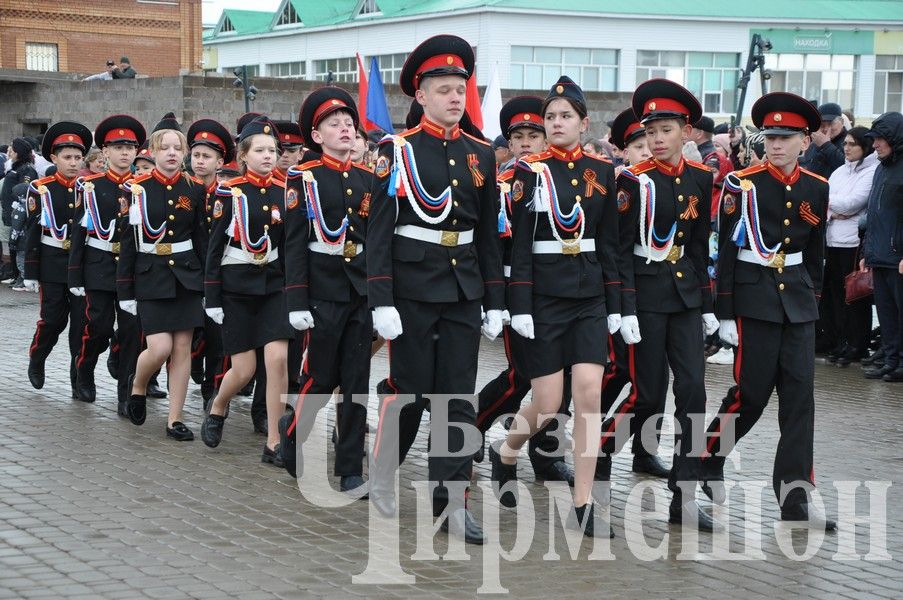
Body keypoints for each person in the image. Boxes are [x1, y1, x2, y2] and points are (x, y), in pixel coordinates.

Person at [366, 35, 504, 544]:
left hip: (464, 289)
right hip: (411, 291)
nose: (453, 98)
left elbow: (488, 235)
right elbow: (378, 232)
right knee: (409, 391)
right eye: (443, 89)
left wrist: (496, 300)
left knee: (456, 398)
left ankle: (451, 502)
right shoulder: (396, 150)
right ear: (420, 95)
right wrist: (380, 300)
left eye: (459, 89)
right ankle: (382, 474)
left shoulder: (481, 154)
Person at [488, 77, 618, 538]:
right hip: (541, 298)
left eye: (565, 116)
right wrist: (517, 305)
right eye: (551, 117)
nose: (557, 123)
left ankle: (583, 503)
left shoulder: (604, 172)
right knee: (548, 401)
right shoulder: (528, 173)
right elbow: (519, 246)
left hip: (588, 297)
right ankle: (506, 450)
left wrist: (619, 304)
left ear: (584, 123)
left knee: (588, 393)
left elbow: (609, 244)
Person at [703, 92, 836, 530]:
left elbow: (815, 253)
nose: (775, 145)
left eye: (785, 137)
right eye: (770, 137)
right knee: (752, 395)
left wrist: (811, 296)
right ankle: (708, 459)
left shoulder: (818, 187)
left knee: (800, 401)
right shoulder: (742, 183)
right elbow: (726, 249)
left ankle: (795, 498)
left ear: (804, 140)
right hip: (753, 299)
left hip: (796, 302)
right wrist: (723, 311)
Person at [608, 79, 719, 531]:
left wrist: (708, 304)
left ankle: (685, 495)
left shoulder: (701, 178)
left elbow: (697, 246)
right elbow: (619, 250)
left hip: (685, 298)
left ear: (687, 132)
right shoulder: (632, 182)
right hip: (646, 298)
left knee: (693, 392)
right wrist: (626, 308)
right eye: (651, 130)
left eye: (666, 129)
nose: (656, 138)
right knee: (646, 396)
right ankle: (594, 465)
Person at [277, 87, 373, 497]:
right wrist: (296, 299)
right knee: (320, 377)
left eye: (349, 124)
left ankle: (351, 466)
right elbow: (295, 244)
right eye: (334, 125)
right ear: (317, 136)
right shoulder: (304, 178)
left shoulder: (371, 178)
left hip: (361, 290)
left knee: (356, 382)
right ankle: (294, 432)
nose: (345, 129)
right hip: (323, 289)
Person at [475, 95, 575, 486]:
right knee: (524, 377)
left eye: (535, 134)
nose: (528, 142)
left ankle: (547, 457)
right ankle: (475, 424)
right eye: (519, 136)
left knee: (558, 378)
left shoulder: (557, 179)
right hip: (517, 290)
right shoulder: (499, 187)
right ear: (510, 143)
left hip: (555, 288)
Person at [200, 116, 294, 465]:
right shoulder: (230, 191)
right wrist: (212, 297)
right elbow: (214, 247)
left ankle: (274, 441)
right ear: (243, 156)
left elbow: (288, 245)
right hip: (236, 286)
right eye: (261, 150)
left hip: (273, 285)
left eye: (273, 150)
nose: (269, 155)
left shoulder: (286, 191)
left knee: (278, 360)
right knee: (244, 369)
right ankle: (219, 405)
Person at [117, 113, 208, 440]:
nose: (171, 153)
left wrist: (209, 283)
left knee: (182, 346)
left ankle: (175, 418)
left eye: (177, 147)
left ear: (184, 153)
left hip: (186, 276)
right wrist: (125, 291)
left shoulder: (195, 189)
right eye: (164, 147)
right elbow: (127, 242)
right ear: (151, 153)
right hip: (150, 275)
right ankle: (138, 384)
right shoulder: (136, 189)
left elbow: (202, 239)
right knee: (159, 347)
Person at [596, 107, 670, 478]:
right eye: (639, 145)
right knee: (625, 372)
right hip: (628, 293)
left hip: (662, 292)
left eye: (649, 144)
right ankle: (593, 431)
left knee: (656, 378)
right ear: (625, 151)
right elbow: (615, 248)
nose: (646, 151)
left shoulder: (669, 180)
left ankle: (645, 447)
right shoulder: (623, 185)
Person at [69, 115, 146, 408]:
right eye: (118, 146)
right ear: (105, 151)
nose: (125, 152)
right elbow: (79, 232)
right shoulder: (89, 186)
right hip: (99, 265)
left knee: (131, 333)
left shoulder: (143, 186)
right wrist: (75, 275)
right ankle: (84, 368)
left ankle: (126, 394)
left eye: (130, 147)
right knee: (98, 328)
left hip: (134, 271)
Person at [23, 121, 93, 399]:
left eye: (78, 158)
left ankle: (78, 379)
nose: (74, 163)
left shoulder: (88, 188)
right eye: (67, 157)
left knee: (80, 324)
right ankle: (38, 356)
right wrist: (30, 270)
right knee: (53, 320)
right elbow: (32, 231)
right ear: (54, 158)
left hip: (82, 266)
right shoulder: (41, 188)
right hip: (51, 263)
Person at [186, 118, 236, 406]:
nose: (200, 162)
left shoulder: (228, 194)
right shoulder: (182, 190)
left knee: (218, 337)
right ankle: (193, 362)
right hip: (188, 272)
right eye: (196, 156)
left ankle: (211, 389)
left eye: (207, 156)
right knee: (192, 331)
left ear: (220, 162)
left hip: (218, 273)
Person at [822, 127, 878, 366]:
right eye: (845, 144)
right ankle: (839, 340)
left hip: (853, 242)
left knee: (854, 295)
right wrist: (835, 211)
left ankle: (857, 343)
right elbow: (824, 199)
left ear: (864, 146)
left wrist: (834, 207)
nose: (846, 148)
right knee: (834, 294)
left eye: (852, 144)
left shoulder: (872, 171)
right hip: (832, 238)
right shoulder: (839, 172)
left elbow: (854, 203)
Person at [860, 112, 903, 382]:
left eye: (879, 139)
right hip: (879, 256)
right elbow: (873, 214)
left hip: (898, 257)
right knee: (887, 315)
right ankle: (890, 359)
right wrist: (866, 252)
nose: (874, 144)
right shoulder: (881, 167)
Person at [2, 138, 38, 289]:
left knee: (20, 245)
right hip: (11, 213)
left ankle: (22, 276)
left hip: (20, 214)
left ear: (18, 152)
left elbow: (25, 191)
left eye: (12, 150)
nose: (10, 152)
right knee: (13, 245)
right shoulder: (16, 167)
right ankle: (16, 275)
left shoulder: (26, 169)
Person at [802, 102, 846, 179]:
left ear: (841, 122)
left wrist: (826, 145)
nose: (826, 129)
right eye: (822, 125)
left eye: (830, 124)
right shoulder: (814, 144)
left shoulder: (850, 141)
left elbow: (846, 165)